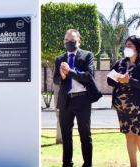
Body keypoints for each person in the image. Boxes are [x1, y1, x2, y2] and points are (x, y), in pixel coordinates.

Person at [107, 35, 140, 167]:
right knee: (129, 136)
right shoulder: (121, 63)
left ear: (138, 47)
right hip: (124, 108)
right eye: (126, 45)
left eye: (130, 45)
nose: (126, 48)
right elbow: (109, 80)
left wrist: (129, 81)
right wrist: (119, 79)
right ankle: (133, 165)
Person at [53, 29, 96, 167]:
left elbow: (88, 76)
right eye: (66, 40)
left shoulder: (87, 55)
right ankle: (67, 164)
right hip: (66, 100)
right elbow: (55, 80)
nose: (69, 43)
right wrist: (63, 77)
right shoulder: (59, 59)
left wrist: (70, 72)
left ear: (79, 41)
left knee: (85, 134)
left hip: (82, 99)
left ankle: (87, 164)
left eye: (72, 40)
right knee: (66, 135)